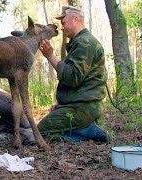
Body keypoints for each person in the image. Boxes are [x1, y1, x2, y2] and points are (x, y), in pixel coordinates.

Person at [37, 5, 109, 143]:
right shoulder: (80, 42)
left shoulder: (85, 43)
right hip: (80, 105)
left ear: (76, 19)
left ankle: (89, 131)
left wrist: (50, 56)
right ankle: (81, 127)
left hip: (83, 108)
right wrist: (61, 102)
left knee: (39, 133)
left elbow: (72, 77)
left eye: (63, 23)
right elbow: (80, 80)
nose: (62, 28)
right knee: (42, 129)